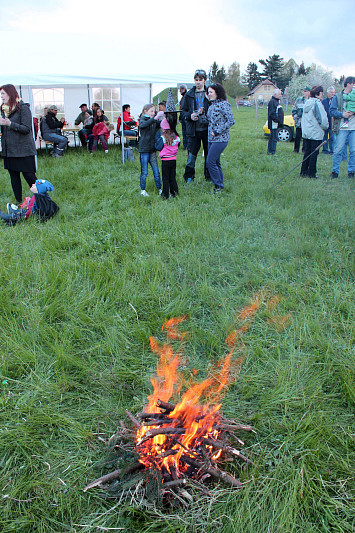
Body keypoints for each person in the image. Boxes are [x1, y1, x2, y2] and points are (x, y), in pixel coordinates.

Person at [0, 84, 38, 204]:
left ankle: (43, 199)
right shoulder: (3, 109)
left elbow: (27, 129)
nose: (1, 96)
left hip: (23, 150)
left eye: (3, 94)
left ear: (10, 94)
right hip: (9, 150)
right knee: (14, 177)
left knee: (29, 177)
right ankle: (18, 202)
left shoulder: (23, 108)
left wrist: (9, 124)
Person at [180, 69, 211, 182]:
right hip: (193, 130)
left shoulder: (210, 93)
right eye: (196, 80)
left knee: (209, 155)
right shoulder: (188, 95)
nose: (198, 82)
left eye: (200, 80)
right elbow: (182, 113)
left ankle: (209, 177)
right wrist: (190, 116)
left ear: (204, 80)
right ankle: (189, 177)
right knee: (191, 155)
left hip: (208, 130)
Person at [206, 83, 235, 193]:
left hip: (221, 138)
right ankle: (220, 184)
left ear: (217, 93)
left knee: (210, 161)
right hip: (211, 138)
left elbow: (231, 121)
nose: (209, 94)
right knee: (216, 162)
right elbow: (210, 121)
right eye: (208, 92)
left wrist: (218, 131)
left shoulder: (224, 104)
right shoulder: (211, 105)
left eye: (211, 92)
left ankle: (218, 186)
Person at [300, 85, 328, 179]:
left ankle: (303, 172)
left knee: (307, 152)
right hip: (315, 133)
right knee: (314, 153)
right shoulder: (317, 103)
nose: (322, 95)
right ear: (317, 94)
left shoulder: (307, 103)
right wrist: (326, 127)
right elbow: (322, 120)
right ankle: (311, 174)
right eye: (321, 93)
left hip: (307, 133)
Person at [330, 76, 355, 179]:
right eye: (353, 83)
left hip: (353, 129)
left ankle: (351, 172)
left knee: (353, 151)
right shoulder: (337, 97)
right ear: (348, 84)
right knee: (338, 150)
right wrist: (342, 115)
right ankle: (335, 172)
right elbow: (332, 111)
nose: (354, 85)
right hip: (341, 128)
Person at [155, 105, 180, 200]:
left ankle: (165, 194)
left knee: (165, 178)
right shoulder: (177, 137)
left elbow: (157, 147)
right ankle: (174, 192)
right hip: (173, 159)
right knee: (172, 177)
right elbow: (178, 145)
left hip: (165, 160)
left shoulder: (163, 138)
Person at [138, 104, 163, 197]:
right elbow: (143, 124)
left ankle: (160, 189)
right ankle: (143, 190)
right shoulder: (143, 119)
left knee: (156, 171)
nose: (153, 113)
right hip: (144, 150)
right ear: (145, 111)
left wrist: (167, 118)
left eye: (154, 111)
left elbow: (161, 124)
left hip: (152, 150)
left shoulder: (153, 121)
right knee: (144, 171)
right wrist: (155, 118)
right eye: (151, 111)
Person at [292, 86, 310, 153]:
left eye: (305, 91)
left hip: (307, 123)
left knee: (305, 137)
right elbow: (294, 110)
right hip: (299, 122)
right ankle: (296, 150)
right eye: (303, 91)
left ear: (309, 92)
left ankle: (304, 150)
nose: (303, 93)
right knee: (297, 137)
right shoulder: (298, 100)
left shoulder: (310, 101)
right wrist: (296, 118)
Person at [267, 89, 284, 155]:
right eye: (279, 94)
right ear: (275, 94)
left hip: (276, 124)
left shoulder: (276, 101)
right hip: (273, 124)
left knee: (274, 138)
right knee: (273, 138)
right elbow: (272, 113)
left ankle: (272, 151)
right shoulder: (272, 102)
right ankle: (271, 152)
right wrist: (277, 120)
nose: (281, 95)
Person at [321, 86, 335, 154]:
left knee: (332, 137)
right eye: (331, 92)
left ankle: (332, 150)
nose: (333, 94)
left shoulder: (335, 101)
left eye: (333, 92)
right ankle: (325, 150)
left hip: (333, 123)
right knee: (325, 137)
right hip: (325, 122)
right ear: (328, 93)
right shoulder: (323, 101)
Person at [179, 84, 188, 150]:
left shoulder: (186, 97)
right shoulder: (184, 97)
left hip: (185, 117)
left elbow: (183, 108)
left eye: (180, 90)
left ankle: (186, 146)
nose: (180, 91)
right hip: (184, 116)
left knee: (185, 132)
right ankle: (186, 145)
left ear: (183, 89)